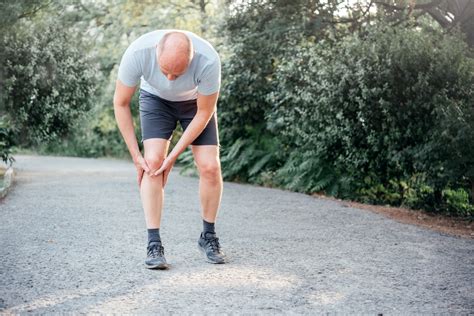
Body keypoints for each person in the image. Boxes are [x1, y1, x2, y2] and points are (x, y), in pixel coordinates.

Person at [113, 29, 228, 269]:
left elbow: (205, 111)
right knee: (153, 163)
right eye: (165, 71)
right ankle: (153, 242)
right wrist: (136, 156)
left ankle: (208, 235)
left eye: (178, 72)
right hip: (155, 102)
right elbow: (121, 103)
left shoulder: (208, 60)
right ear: (156, 52)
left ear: (192, 58)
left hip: (195, 105)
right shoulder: (137, 53)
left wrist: (174, 155)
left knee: (210, 166)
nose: (171, 79)